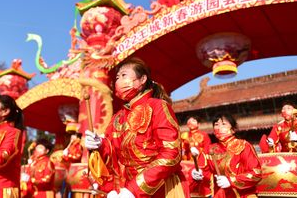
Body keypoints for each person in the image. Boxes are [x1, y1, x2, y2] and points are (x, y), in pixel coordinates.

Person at [85, 57, 189, 198]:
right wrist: (99, 145)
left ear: (142, 79)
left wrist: (134, 189)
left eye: (124, 75)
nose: (119, 81)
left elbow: (171, 153)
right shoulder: (118, 116)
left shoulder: (157, 106)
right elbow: (113, 152)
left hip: (160, 187)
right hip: (126, 187)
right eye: (117, 77)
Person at [191, 113, 262, 198]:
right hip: (220, 195)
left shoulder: (243, 145)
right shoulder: (209, 149)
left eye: (224, 124)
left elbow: (256, 173)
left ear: (233, 129)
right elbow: (203, 170)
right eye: (216, 124)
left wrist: (231, 181)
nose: (219, 127)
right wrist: (196, 173)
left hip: (244, 194)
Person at [181, 116, 211, 197]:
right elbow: (183, 151)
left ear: (199, 124)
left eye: (193, 120)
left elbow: (208, 149)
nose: (190, 122)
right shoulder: (184, 135)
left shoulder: (204, 135)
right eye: (189, 120)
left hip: (201, 162)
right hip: (188, 163)